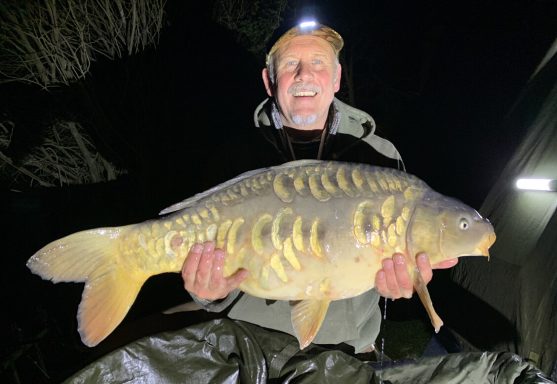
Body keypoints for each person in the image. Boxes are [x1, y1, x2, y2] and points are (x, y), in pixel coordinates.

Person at [181, 22, 457, 355]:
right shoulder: (235, 157)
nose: (304, 74)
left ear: (337, 78)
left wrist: (400, 285)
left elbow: (387, 273)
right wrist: (207, 291)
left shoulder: (381, 158)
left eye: (318, 63)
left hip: (349, 350)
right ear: (270, 81)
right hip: (249, 346)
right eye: (289, 64)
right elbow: (206, 269)